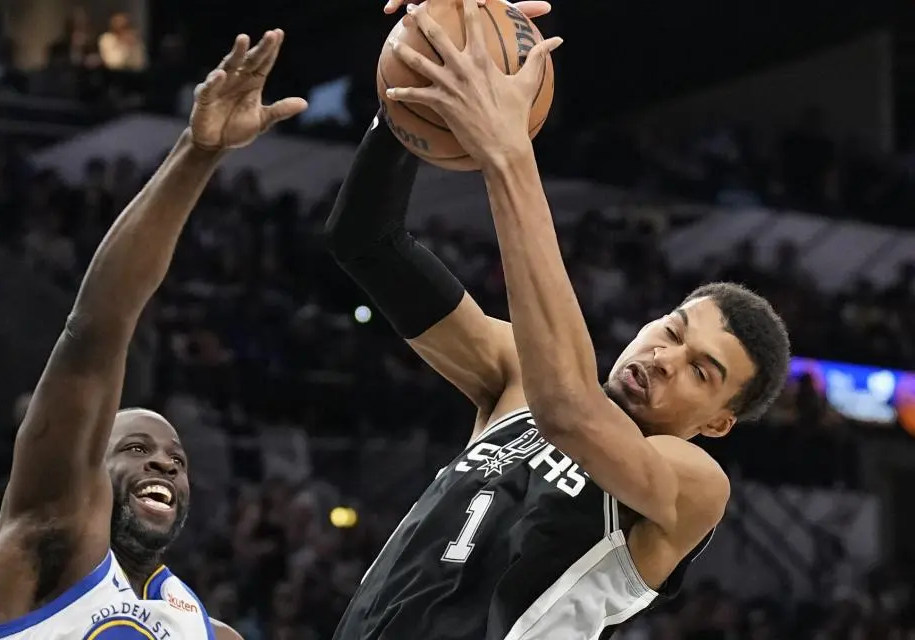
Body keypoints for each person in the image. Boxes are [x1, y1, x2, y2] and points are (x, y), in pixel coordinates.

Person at [324, 1, 791, 638]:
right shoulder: (516, 376)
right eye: (673, 331)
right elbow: (366, 242)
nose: (664, 357)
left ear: (718, 421)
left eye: (701, 372)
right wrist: (407, 97)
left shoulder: (689, 485)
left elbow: (569, 410)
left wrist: (509, 155)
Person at [0, 30, 306, 640]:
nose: (165, 465)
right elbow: (95, 331)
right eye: (136, 449)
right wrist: (196, 155)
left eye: (176, 459)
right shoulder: (43, 539)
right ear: (87, 464)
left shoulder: (214, 635)